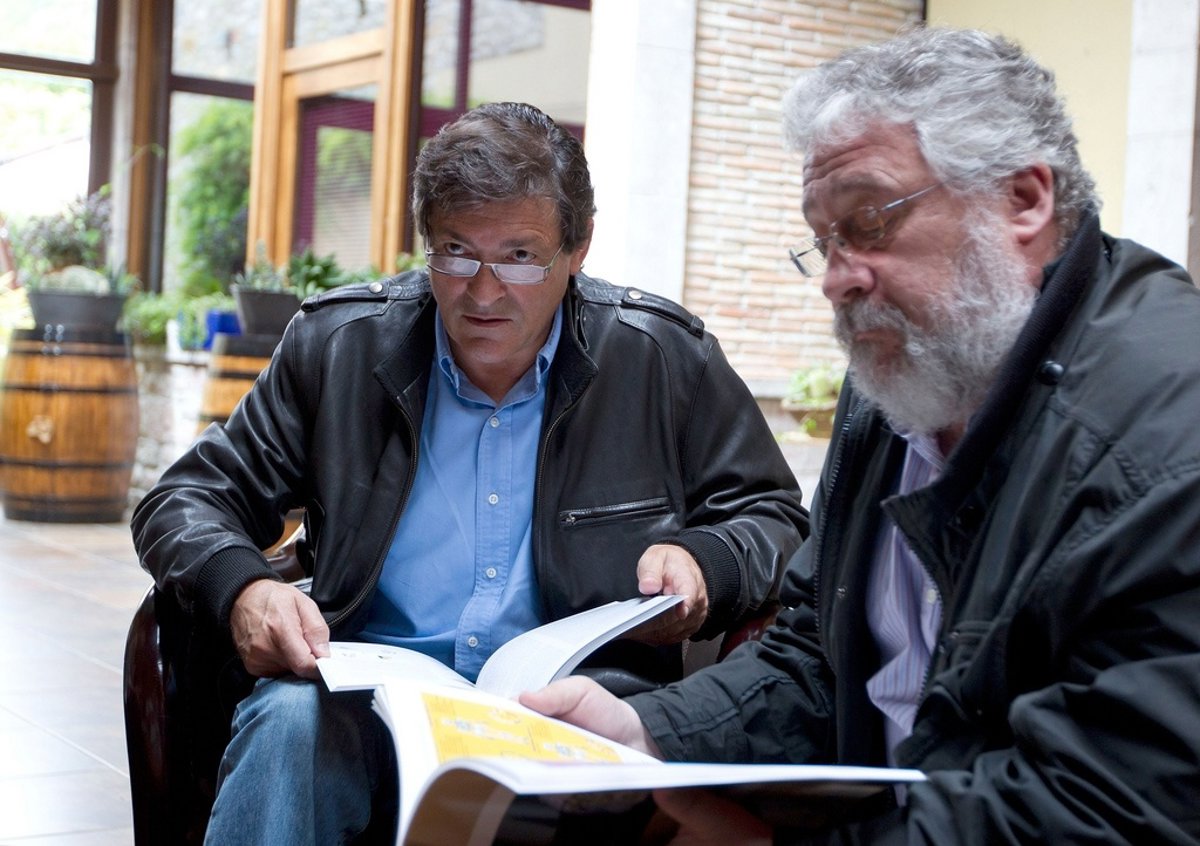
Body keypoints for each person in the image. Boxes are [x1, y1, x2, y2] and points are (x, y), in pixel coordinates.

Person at [522, 26, 1200, 844]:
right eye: (825, 240)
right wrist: (648, 732)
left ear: (1023, 200)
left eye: (870, 221)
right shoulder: (904, 373)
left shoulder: (1165, 435)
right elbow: (816, 654)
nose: (838, 279)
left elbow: (1111, 806)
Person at [129, 101, 808, 843]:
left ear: (578, 247)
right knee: (289, 723)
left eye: (520, 256)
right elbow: (185, 498)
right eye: (456, 252)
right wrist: (244, 588)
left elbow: (773, 514)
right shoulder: (340, 347)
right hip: (364, 697)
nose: (483, 292)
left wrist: (707, 561)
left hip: (579, 702)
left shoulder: (661, 357)